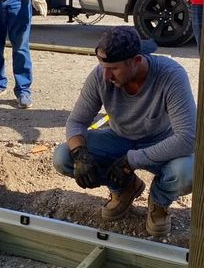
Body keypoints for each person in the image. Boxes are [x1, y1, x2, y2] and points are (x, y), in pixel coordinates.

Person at [52, 26, 196, 238]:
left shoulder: (170, 75)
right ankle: (124, 188)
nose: (106, 74)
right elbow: (76, 121)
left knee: (188, 173)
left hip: (161, 142)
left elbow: (186, 138)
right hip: (118, 139)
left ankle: (159, 201)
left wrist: (132, 161)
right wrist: (80, 155)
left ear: (136, 60)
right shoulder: (101, 75)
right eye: (103, 66)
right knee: (63, 157)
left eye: (114, 68)